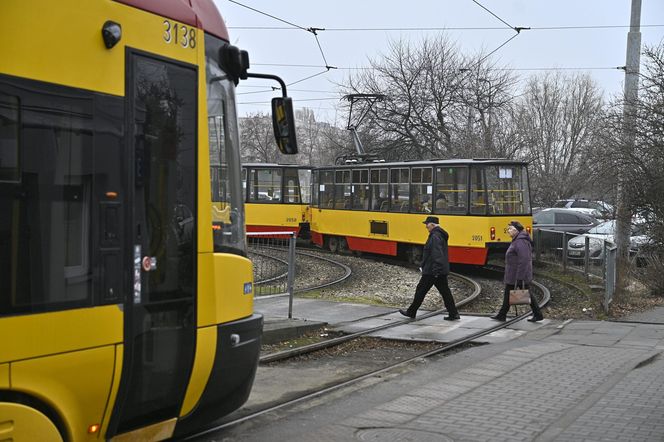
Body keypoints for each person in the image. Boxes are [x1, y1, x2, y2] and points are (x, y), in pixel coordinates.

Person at [399, 216, 460, 321]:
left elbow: (437, 254)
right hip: (438, 270)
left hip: (432, 270)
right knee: (445, 292)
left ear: (432, 224)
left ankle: (411, 312)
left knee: (421, 290)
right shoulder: (439, 235)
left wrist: (436, 270)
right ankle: (453, 313)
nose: (426, 226)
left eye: (427, 224)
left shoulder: (435, 236)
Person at [490, 220, 544, 322]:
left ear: (516, 230)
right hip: (514, 274)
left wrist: (520, 277)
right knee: (509, 293)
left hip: (517, 275)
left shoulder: (520, 242)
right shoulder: (517, 240)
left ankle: (538, 314)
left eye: (510, 229)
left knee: (527, 294)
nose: (508, 231)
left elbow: (524, 260)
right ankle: (502, 314)